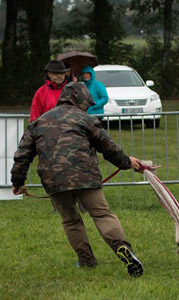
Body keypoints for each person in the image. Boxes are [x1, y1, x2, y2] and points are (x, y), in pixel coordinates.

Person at [11, 82, 144, 277]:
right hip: (85, 177)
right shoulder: (86, 119)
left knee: (71, 221)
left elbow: (22, 155)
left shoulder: (38, 122)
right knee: (102, 215)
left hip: (54, 180)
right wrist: (127, 163)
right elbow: (109, 147)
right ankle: (123, 249)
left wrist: (18, 182)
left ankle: (86, 261)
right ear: (81, 100)